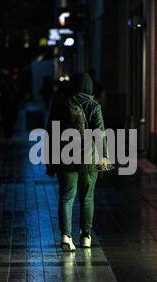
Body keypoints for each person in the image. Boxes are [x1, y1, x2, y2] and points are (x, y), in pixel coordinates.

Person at [46, 73, 110, 252]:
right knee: (87, 197)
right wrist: (104, 155)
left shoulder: (60, 105)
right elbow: (100, 133)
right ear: (89, 88)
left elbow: (50, 133)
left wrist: (50, 160)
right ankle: (86, 236)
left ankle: (66, 236)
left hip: (65, 159)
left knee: (66, 197)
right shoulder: (93, 105)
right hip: (89, 160)